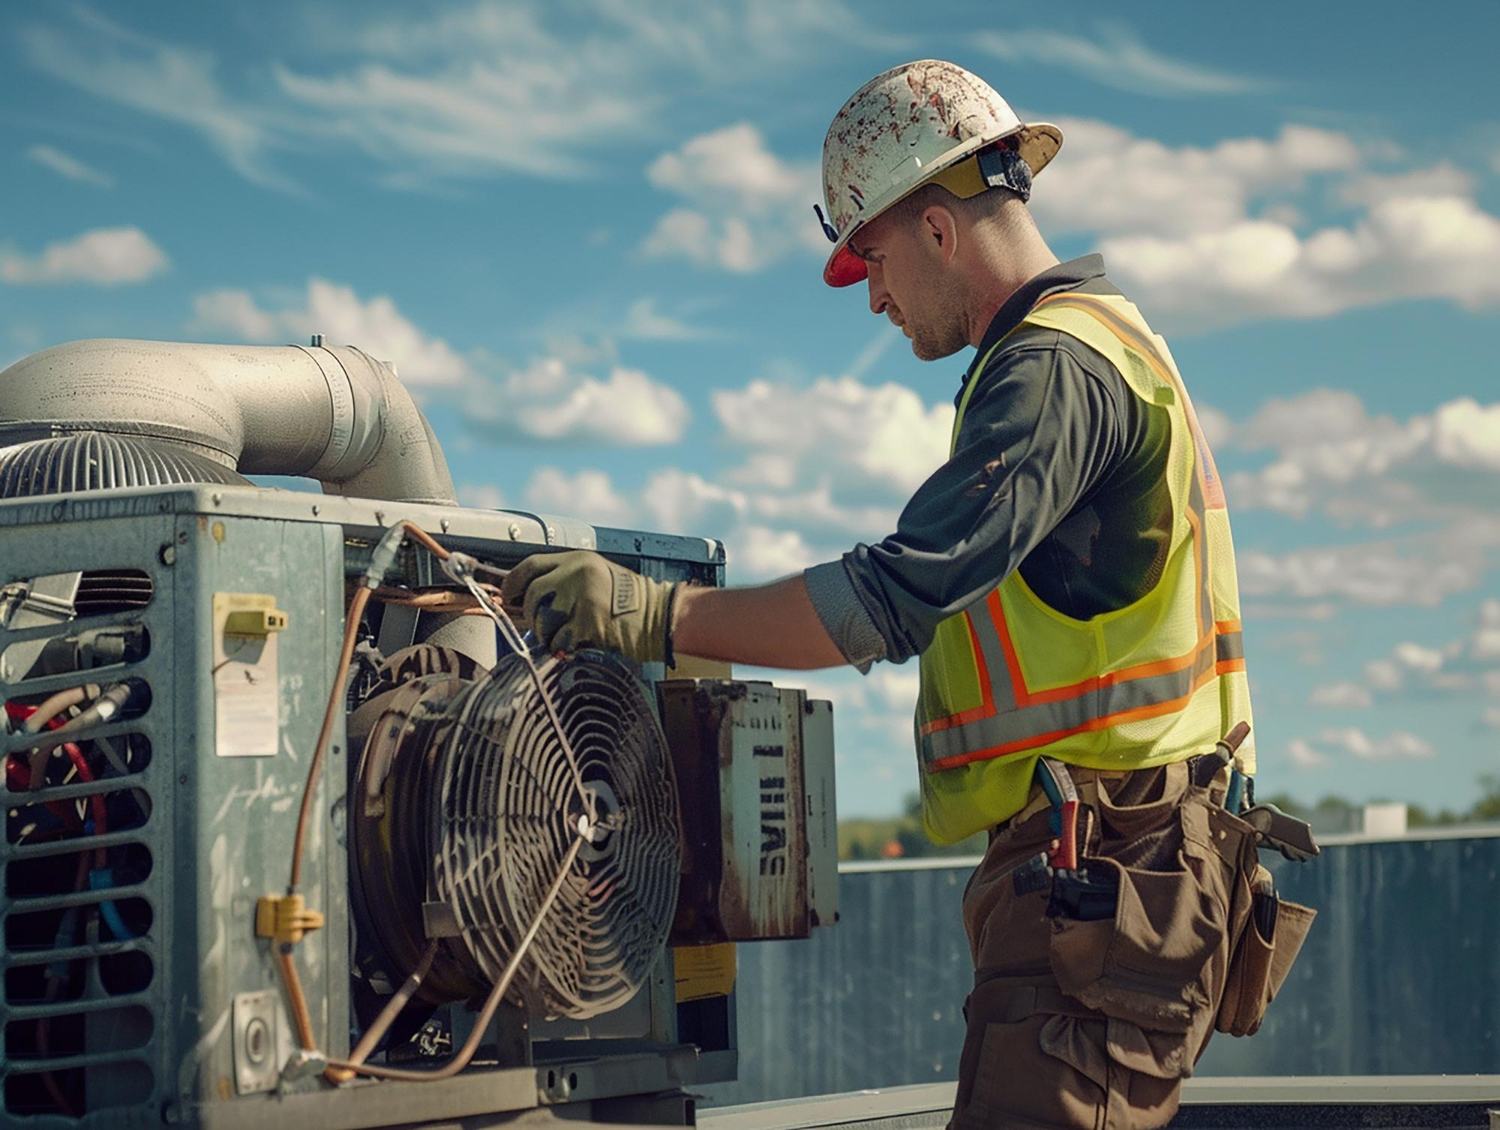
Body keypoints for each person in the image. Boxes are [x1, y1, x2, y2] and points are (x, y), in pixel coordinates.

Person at [503, 60, 1268, 1130]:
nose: (872, 294)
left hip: (1108, 876)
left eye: (872, 256)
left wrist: (654, 616)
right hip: (1112, 873)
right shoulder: (1106, 343)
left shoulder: (1054, 370)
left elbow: (891, 596)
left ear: (941, 231)